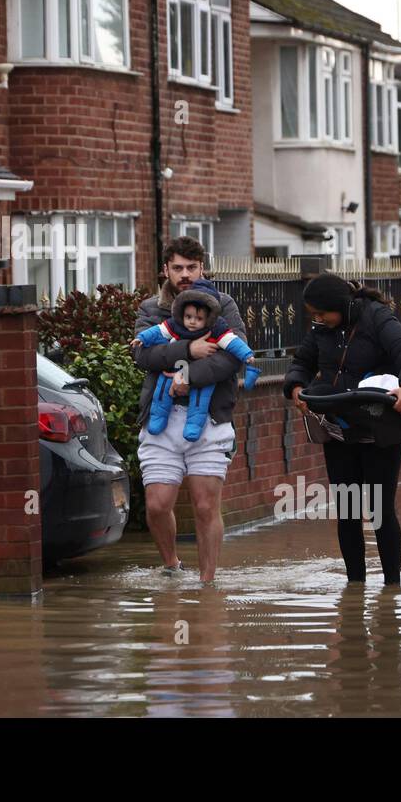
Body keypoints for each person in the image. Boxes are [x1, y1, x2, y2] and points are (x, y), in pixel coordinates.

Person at [282, 273, 401, 588]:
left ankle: (392, 590)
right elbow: (302, 362)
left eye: (322, 313)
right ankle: (355, 589)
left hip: (380, 428)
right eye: (314, 315)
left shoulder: (377, 318)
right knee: (347, 509)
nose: (318, 320)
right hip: (338, 427)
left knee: (379, 509)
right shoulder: (322, 327)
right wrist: (295, 387)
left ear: (341, 305)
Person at [132, 238, 247, 583]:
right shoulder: (151, 309)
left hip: (210, 419)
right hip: (161, 419)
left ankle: (207, 583)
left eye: (192, 268)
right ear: (165, 270)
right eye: (178, 268)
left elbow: (232, 357)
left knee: (204, 505)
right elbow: (141, 355)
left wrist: (188, 376)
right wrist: (189, 348)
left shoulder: (223, 305)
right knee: (156, 504)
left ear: (202, 268)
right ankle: (171, 567)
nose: (185, 275)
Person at [131, 278, 259, 441]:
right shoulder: (174, 324)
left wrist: (247, 355)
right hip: (171, 370)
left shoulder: (217, 329)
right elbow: (157, 332)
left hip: (203, 376)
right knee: (162, 390)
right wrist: (142, 338)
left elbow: (232, 342)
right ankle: (157, 418)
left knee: (201, 399)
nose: (192, 322)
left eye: (198, 318)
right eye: (189, 317)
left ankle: (194, 426)